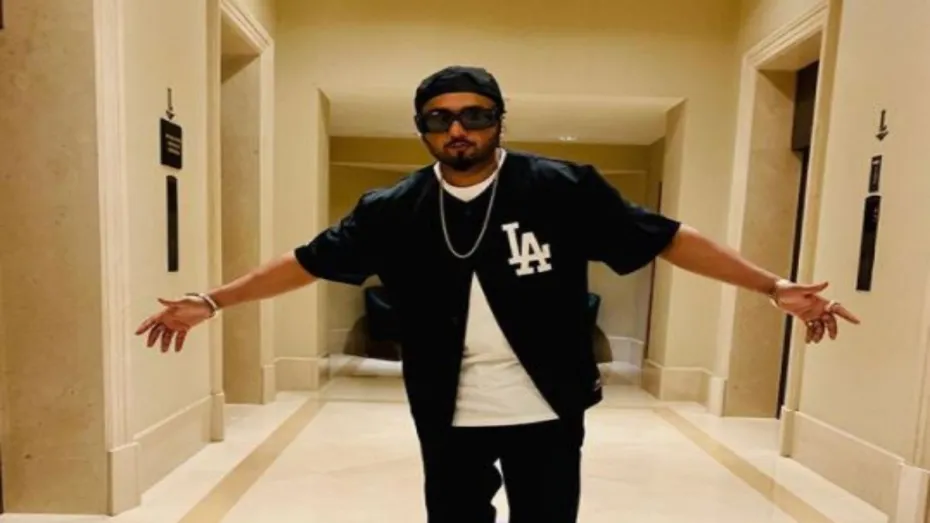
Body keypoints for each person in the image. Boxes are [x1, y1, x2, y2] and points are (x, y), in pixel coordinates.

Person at [135, 65, 860, 523]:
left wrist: (771, 285)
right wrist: (214, 300)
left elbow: (667, 236)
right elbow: (307, 261)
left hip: (549, 404)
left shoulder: (561, 187)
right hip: (445, 408)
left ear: (498, 120)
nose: (458, 128)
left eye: (475, 114)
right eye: (440, 117)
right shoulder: (392, 209)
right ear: (423, 128)